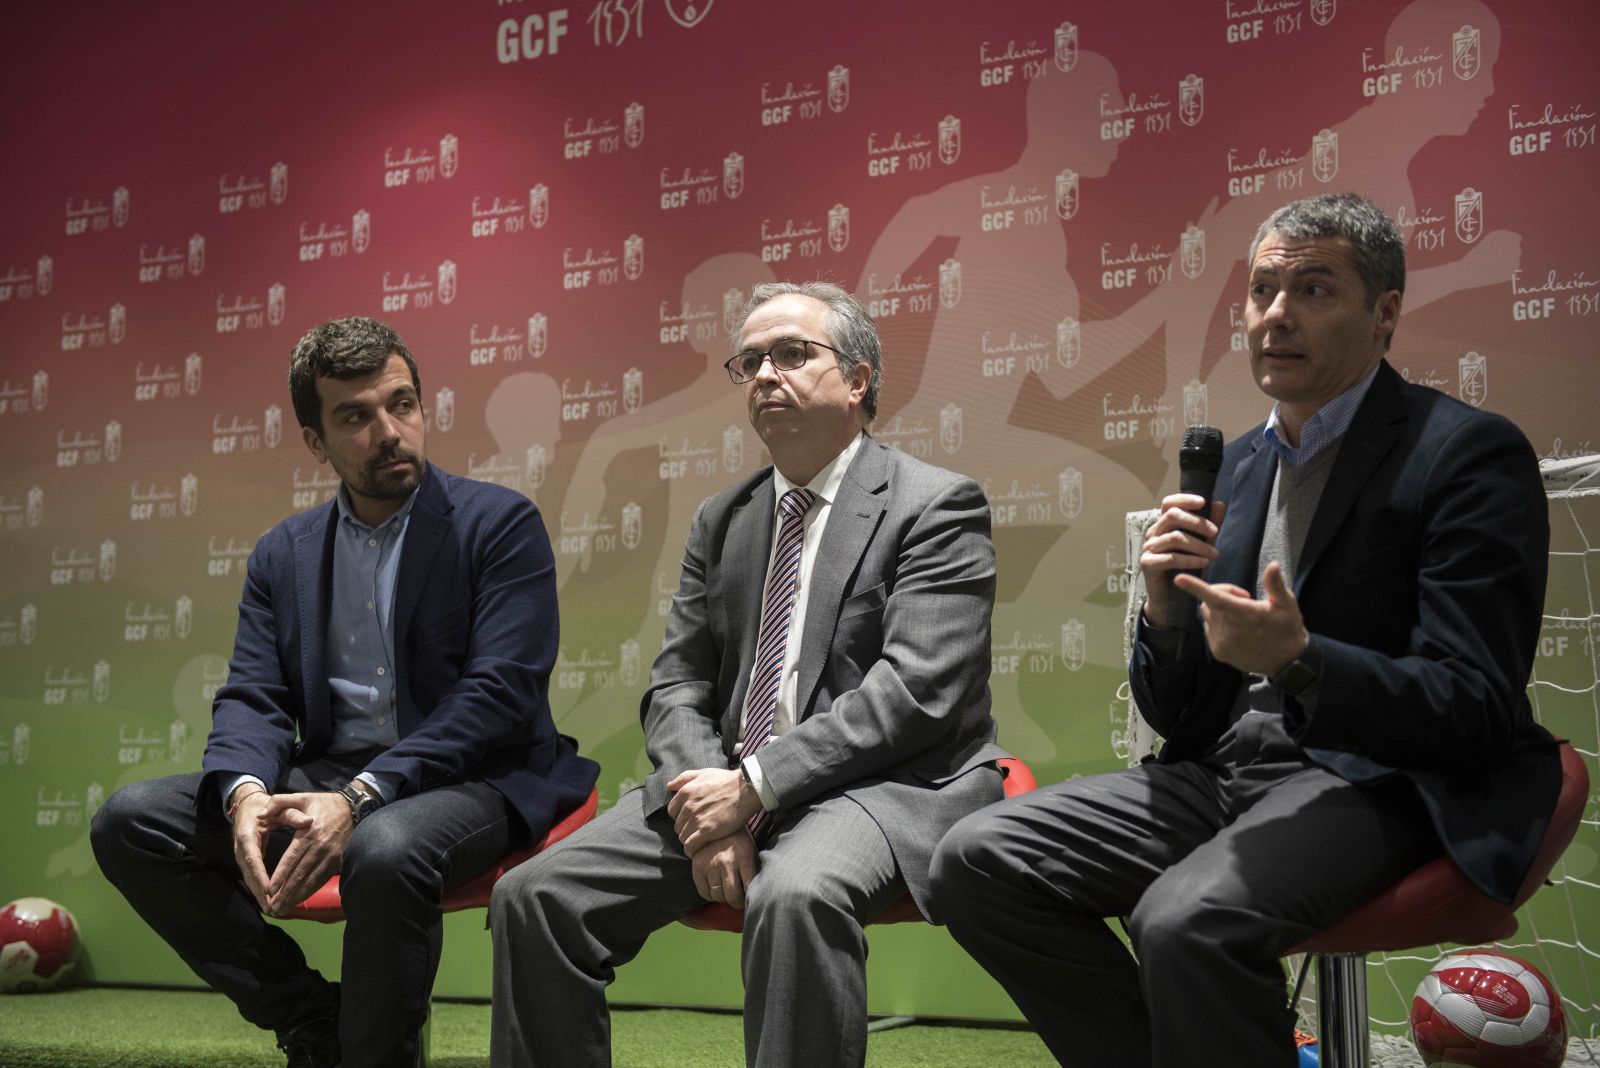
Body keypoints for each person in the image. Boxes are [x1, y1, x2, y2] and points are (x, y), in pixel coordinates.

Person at [930, 193, 1560, 1066]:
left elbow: (1476, 706)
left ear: (1384, 313)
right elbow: (1180, 719)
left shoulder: (1463, 453)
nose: (1277, 316)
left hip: (1381, 782)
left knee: (1184, 919)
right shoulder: (1234, 465)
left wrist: (1302, 666)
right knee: (974, 859)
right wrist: (1163, 611)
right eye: (1263, 290)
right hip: (1224, 772)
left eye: (1313, 289)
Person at [488, 281, 1007, 1067]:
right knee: (534, 897)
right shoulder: (723, 518)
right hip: (729, 783)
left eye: (793, 354)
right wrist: (713, 802)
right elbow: (677, 686)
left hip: (882, 785)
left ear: (859, 380)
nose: (766, 373)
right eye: (751, 360)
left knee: (795, 895)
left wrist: (754, 787)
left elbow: (915, 694)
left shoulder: (935, 506)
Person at [92, 315, 598, 1068]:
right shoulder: (283, 553)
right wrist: (244, 794)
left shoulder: (497, 524)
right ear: (316, 441)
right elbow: (254, 696)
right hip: (332, 770)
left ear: (424, 408)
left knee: (386, 848)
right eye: (355, 417)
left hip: (482, 773)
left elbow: (499, 694)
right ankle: (311, 1020)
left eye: (401, 404)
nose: (388, 431)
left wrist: (361, 796)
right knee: (131, 821)